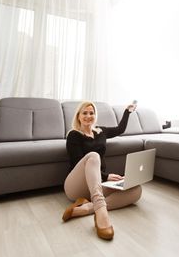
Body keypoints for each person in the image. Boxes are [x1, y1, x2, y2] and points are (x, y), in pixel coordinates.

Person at [61, 101, 142, 240]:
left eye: (91, 113)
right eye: (84, 113)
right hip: (75, 186)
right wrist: (106, 176)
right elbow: (76, 163)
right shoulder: (74, 135)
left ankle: (86, 208)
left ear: (95, 115)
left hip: (97, 185)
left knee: (136, 189)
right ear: (78, 116)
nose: (88, 116)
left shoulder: (101, 131)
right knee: (93, 156)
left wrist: (128, 111)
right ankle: (100, 211)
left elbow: (120, 129)